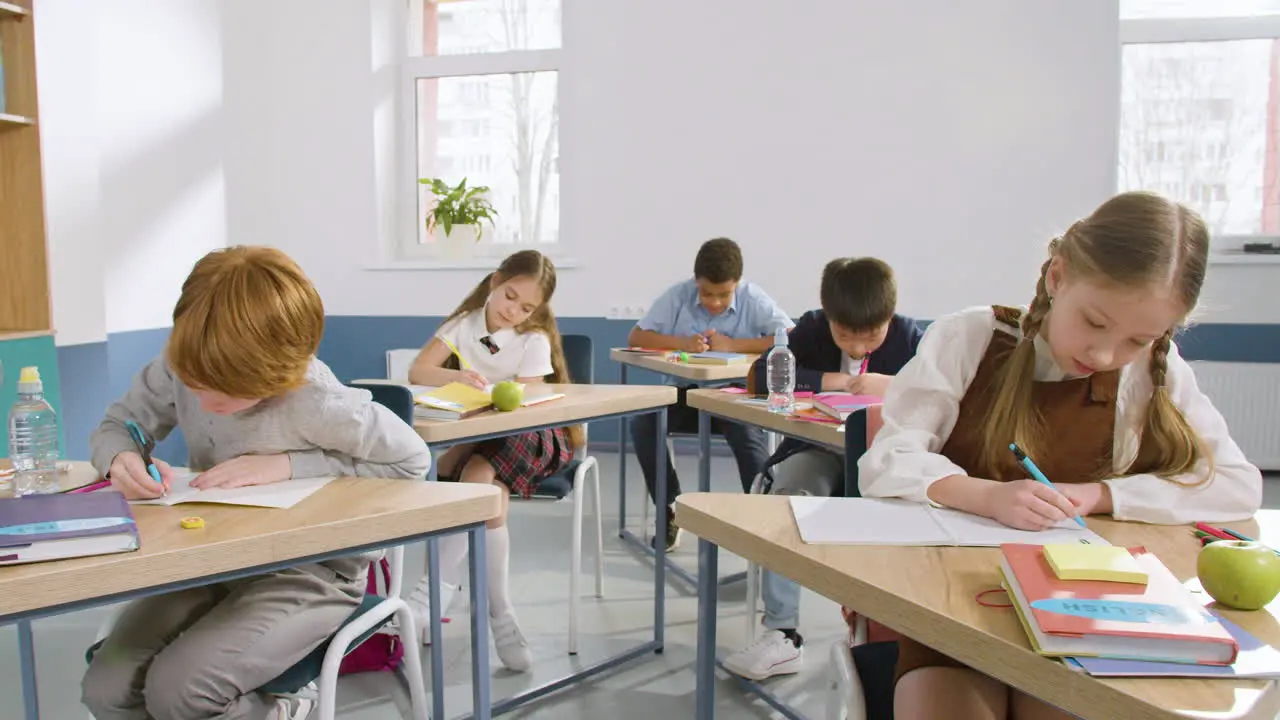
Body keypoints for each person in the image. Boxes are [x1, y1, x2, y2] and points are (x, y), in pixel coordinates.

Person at [859, 191, 1262, 720]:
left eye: (1138, 339)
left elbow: (1235, 483)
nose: (1103, 355)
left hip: (1082, 613)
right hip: (952, 606)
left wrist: (1101, 495)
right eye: (1094, 323)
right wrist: (984, 495)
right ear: (1057, 276)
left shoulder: (1152, 372)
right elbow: (887, 459)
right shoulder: (971, 338)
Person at [82, 246, 432, 720]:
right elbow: (120, 423)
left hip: (312, 574)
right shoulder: (183, 362)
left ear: (274, 371)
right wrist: (121, 456)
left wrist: (290, 464)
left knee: (181, 691)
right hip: (211, 562)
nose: (201, 401)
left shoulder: (319, 401)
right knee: (107, 686)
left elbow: (412, 461)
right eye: (192, 380)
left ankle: (278, 710)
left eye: (222, 388)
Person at [723, 257, 922, 680]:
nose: (857, 348)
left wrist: (893, 385)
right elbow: (760, 377)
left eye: (870, 337)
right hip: (818, 450)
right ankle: (782, 633)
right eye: (845, 334)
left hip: (883, 458)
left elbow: (943, 393)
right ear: (829, 317)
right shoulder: (812, 328)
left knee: (896, 516)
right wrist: (833, 380)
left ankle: (880, 631)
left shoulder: (908, 337)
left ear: (889, 317)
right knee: (788, 495)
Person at [404, 249, 580, 673]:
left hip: (536, 433)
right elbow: (418, 370)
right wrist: (458, 376)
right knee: (480, 484)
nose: (513, 312)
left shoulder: (532, 339)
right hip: (483, 433)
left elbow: (526, 407)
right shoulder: (464, 325)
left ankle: (434, 592)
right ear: (495, 280)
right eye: (510, 296)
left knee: (472, 473)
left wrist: (465, 445)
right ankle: (502, 614)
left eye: (526, 307)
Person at [629, 237, 793, 550]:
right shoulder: (678, 295)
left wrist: (733, 345)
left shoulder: (754, 298)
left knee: (747, 435)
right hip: (686, 395)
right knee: (644, 423)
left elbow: (789, 336)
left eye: (724, 294)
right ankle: (670, 510)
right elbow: (636, 336)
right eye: (706, 293)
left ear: (738, 284)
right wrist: (683, 343)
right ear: (696, 281)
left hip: (732, 395)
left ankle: (764, 521)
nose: (714, 302)